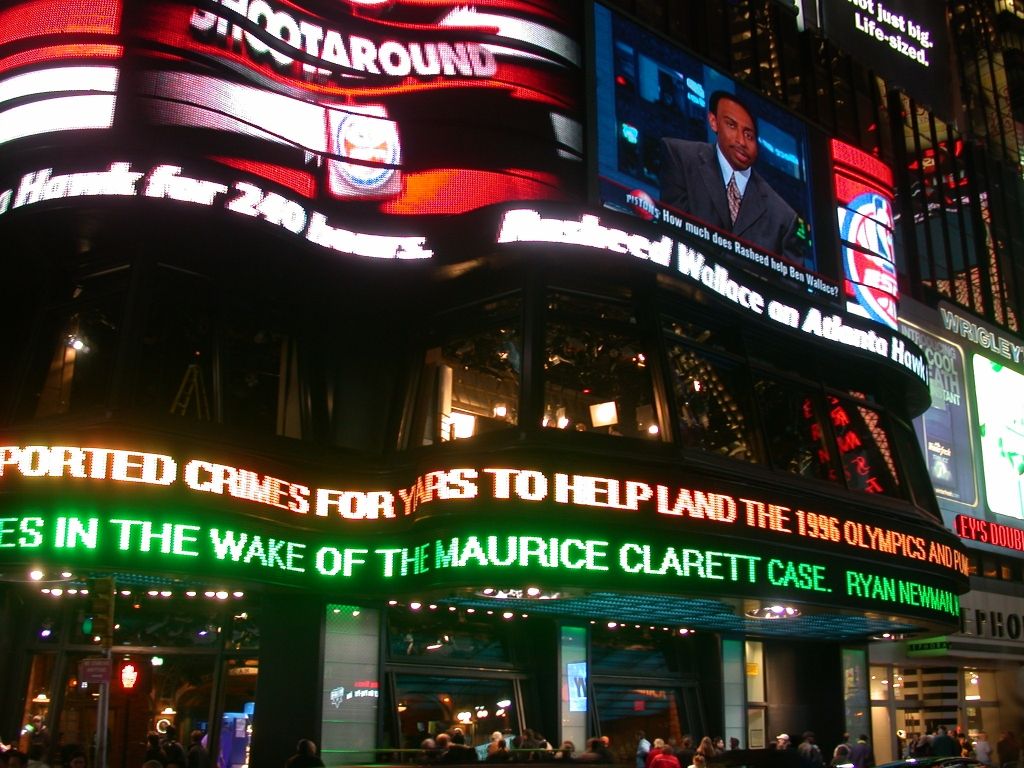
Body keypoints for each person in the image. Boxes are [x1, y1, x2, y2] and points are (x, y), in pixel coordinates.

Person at [659, 90, 802, 263]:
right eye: (732, 126)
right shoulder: (680, 157)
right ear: (714, 122)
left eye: (749, 135)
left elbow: (791, 286)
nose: (741, 141)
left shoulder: (783, 218)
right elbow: (673, 238)